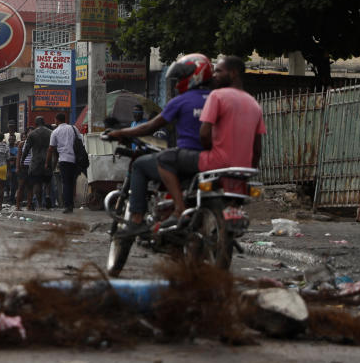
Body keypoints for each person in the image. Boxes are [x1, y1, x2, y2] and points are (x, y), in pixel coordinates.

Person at [107, 52, 214, 232]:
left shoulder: (180, 101)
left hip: (187, 158)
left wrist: (119, 132)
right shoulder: (217, 99)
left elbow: (148, 128)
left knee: (139, 165)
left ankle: (137, 219)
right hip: (215, 159)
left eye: (182, 76)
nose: (179, 81)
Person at [158, 55, 265, 217]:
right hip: (242, 169)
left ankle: (179, 208)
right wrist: (248, 170)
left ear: (233, 73)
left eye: (219, 71)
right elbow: (257, 149)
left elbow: (204, 133)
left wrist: (208, 149)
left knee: (165, 158)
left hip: (216, 162)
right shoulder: (254, 104)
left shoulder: (217, 96)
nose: (214, 75)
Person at [46, 112, 85, 213]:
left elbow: (51, 148)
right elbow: (81, 140)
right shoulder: (73, 128)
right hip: (75, 160)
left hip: (64, 160)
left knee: (66, 183)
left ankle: (68, 206)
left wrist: (47, 162)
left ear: (57, 120)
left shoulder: (55, 132)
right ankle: (71, 203)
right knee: (72, 183)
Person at [19, 117, 52, 211]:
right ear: (44, 123)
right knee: (47, 181)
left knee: (37, 183)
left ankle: (40, 204)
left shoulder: (32, 134)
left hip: (36, 162)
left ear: (36, 124)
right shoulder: (50, 133)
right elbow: (54, 147)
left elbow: (26, 149)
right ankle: (48, 195)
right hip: (47, 160)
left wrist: (22, 160)